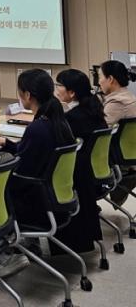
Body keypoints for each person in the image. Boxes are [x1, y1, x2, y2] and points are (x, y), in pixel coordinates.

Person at [0, 69, 74, 276]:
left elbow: (22, 173)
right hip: (56, 198)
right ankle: (30, 242)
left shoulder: (37, 129)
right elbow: (30, 155)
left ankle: (4, 256)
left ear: (27, 95)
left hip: (37, 204)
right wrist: (7, 143)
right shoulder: (58, 121)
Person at [53, 69, 107, 253]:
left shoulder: (72, 119)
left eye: (59, 85)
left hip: (75, 177)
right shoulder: (94, 109)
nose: (56, 88)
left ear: (72, 92)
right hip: (90, 174)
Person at [99, 60, 136, 205]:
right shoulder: (129, 97)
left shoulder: (117, 103)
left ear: (110, 79)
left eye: (100, 77)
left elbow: (99, 131)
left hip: (120, 161)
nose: (99, 82)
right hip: (130, 156)